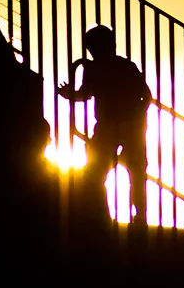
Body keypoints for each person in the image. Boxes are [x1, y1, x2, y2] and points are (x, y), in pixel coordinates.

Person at [57, 24, 151, 229]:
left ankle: (125, 216)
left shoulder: (113, 67)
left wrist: (136, 116)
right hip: (116, 126)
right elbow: (87, 94)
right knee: (118, 172)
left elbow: (145, 96)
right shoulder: (115, 66)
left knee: (109, 171)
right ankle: (121, 216)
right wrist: (71, 95)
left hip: (124, 126)